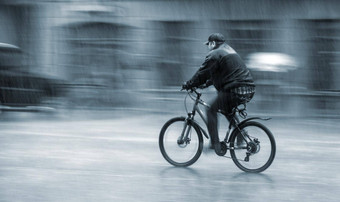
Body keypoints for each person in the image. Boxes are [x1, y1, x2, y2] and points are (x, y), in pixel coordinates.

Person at [182, 33, 255, 156]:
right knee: (227, 109)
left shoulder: (214, 54)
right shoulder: (229, 50)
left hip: (235, 89)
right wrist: (205, 84)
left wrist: (189, 84)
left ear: (213, 43)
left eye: (208, 44)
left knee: (210, 109)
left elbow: (203, 72)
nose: (208, 47)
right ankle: (241, 136)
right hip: (247, 88)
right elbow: (221, 74)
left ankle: (214, 143)